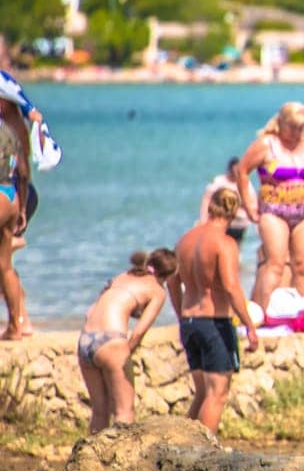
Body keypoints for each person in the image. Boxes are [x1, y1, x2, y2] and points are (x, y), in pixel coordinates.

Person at [170, 187, 261, 432]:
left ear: (210, 206)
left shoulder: (184, 241)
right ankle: (203, 455)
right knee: (217, 393)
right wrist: (250, 327)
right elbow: (231, 288)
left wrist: (181, 315)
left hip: (190, 322)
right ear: (235, 211)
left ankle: (181, 448)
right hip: (214, 322)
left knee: (201, 393)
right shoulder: (225, 243)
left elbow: (171, 281)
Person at [76, 248, 178, 433]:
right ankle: (122, 461)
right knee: (124, 412)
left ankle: (91, 460)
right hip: (112, 341)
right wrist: (125, 351)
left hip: (85, 340)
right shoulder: (157, 291)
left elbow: (90, 311)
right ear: (169, 276)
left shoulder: (123, 276)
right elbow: (139, 332)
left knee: (100, 412)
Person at [236, 102, 304, 305]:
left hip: (303, 212)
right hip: (274, 211)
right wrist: (249, 205)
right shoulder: (267, 144)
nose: (296, 132)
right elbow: (242, 171)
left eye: (300, 127)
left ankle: (298, 313)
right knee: (276, 265)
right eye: (292, 127)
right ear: (281, 122)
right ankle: (265, 314)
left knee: (302, 266)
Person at [0, 87, 30, 340]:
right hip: (11, 195)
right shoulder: (9, 131)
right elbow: (22, 170)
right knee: (4, 265)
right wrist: (21, 207)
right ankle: (15, 327)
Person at [199, 158, 252, 245]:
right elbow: (207, 198)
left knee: (235, 246)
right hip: (221, 221)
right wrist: (203, 219)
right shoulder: (219, 181)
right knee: (218, 244)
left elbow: (251, 201)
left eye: (238, 171)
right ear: (229, 170)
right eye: (234, 171)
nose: (236, 173)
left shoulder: (245, 182)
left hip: (239, 223)